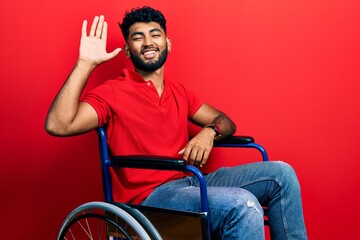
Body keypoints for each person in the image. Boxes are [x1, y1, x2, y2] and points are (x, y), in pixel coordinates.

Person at [45, 6, 307, 239]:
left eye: (155, 34)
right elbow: (59, 125)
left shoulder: (178, 91)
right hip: (151, 197)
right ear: (127, 50)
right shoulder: (113, 91)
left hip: (190, 183)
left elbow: (225, 121)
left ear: (168, 43)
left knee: (282, 174)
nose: (148, 42)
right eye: (138, 37)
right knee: (243, 204)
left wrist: (209, 131)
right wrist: (84, 64)